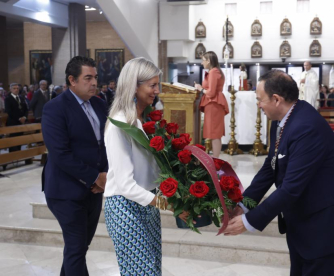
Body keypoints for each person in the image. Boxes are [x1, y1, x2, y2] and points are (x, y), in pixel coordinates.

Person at [224, 70, 334, 276]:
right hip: (302, 220)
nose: (258, 105)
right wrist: (244, 205)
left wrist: (248, 222)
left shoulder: (307, 127)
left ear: (276, 99)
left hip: (325, 224)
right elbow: (270, 168)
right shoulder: (281, 119)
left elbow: (290, 189)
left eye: (260, 100)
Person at [104, 57, 184, 275]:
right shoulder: (120, 124)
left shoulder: (145, 120)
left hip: (147, 202)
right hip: (125, 205)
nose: (157, 90)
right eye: (152, 85)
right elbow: (125, 185)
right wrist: (168, 205)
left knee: (152, 268)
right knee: (141, 271)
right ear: (134, 86)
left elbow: (153, 169)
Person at [42, 56, 108, 276]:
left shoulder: (99, 104)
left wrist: (104, 174)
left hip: (94, 190)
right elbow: (60, 154)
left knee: (78, 249)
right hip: (65, 190)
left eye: (95, 78)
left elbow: (105, 144)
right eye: (87, 78)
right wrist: (94, 177)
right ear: (72, 80)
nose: (94, 83)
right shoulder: (55, 108)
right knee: (76, 249)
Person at [194, 51, 229, 158]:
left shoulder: (214, 72)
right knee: (214, 133)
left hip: (214, 103)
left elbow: (211, 93)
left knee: (214, 133)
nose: (201, 63)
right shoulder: (215, 71)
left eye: (203, 60)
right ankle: (215, 159)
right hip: (213, 103)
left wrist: (200, 88)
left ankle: (215, 160)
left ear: (208, 61)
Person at [5, 83, 28, 152]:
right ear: (11, 89)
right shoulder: (8, 99)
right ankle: (13, 157)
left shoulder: (21, 97)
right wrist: (19, 118)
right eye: (14, 88)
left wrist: (24, 117)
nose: (16, 90)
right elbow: (9, 111)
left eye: (17, 88)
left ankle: (19, 155)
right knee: (13, 141)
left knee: (20, 140)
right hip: (13, 122)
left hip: (21, 122)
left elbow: (26, 109)